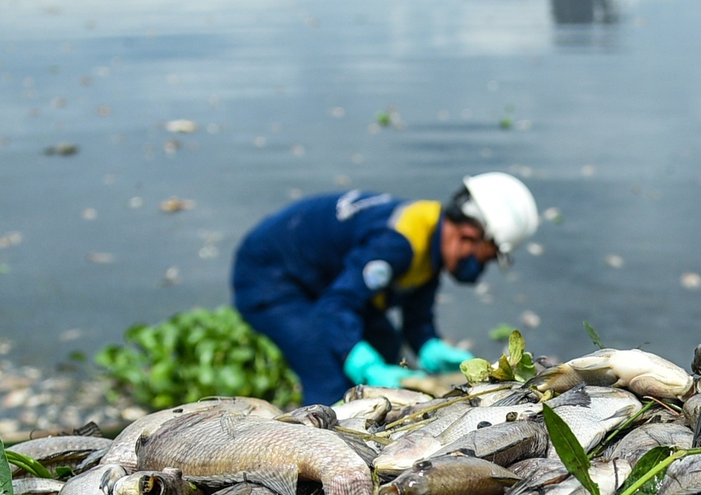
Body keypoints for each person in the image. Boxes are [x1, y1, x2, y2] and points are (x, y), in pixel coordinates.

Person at [231, 172, 539, 403]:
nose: (480, 268)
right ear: (471, 234)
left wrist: (427, 346)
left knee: (386, 346)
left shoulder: (431, 237)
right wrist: (364, 365)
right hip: (270, 278)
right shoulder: (397, 244)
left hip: (325, 279)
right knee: (330, 373)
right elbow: (335, 308)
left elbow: (416, 315)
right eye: (485, 259)